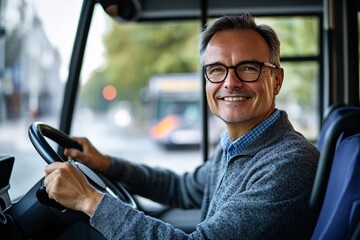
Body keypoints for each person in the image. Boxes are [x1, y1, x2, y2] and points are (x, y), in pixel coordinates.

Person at [44, 13, 320, 239]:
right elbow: (180, 188)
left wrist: (88, 200)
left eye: (249, 68)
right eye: (216, 69)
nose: (231, 82)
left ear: (276, 80)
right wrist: (106, 164)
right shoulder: (235, 145)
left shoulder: (289, 162)